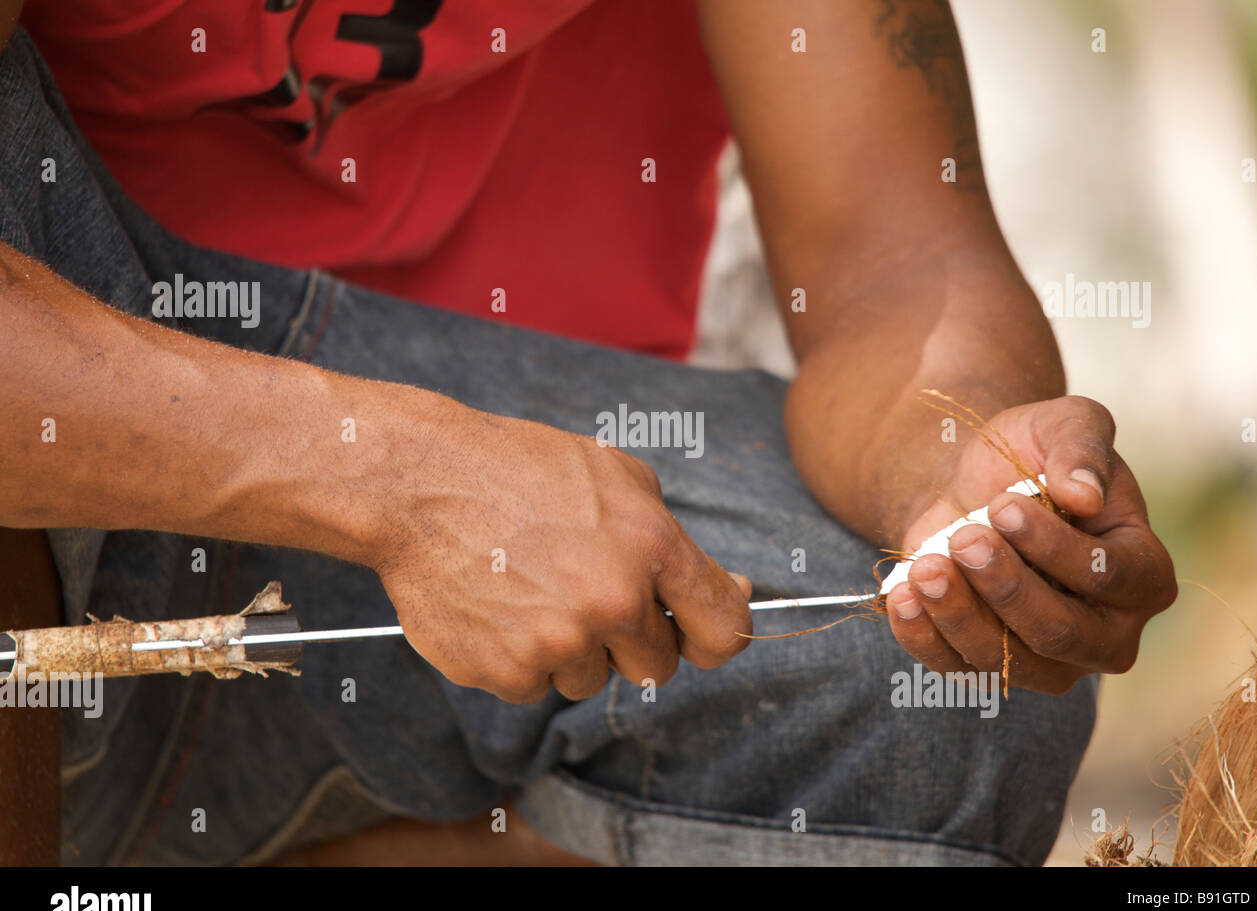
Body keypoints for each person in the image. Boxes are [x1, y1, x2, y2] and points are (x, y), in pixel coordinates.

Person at [0, 0, 1175, 866]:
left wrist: (963, 477)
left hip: (553, 561)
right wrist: (396, 478)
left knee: (952, 700)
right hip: (95, 474)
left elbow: (895, 256)